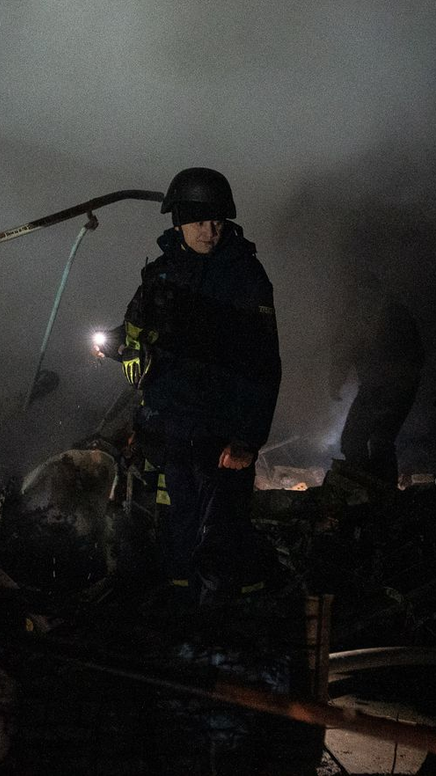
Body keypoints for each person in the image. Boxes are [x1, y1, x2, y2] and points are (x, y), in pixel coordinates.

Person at [100, 167, 281, 605]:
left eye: (217, 220)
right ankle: (183, 626)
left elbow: (263, 364)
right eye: (199, 221)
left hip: (220, 436)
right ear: (178, 220)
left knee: (221, 541)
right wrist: (122, 348)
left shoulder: (245, 277)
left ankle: (224, 633)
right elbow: (136, 332)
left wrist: (247, 439)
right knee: (177, 533)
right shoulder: (161, 275)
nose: (210, 230)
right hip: (170, 432)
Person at [330, 269, 425, 487]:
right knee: (380, 441)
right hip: (398, 387)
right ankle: (380, 495)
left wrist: (335, 381)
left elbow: (345, 349)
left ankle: (367, 492)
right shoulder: (394, 310)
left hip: (384, 386)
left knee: (356, 440)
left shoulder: (367, 312)